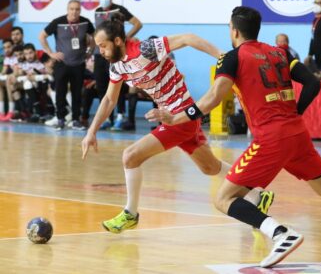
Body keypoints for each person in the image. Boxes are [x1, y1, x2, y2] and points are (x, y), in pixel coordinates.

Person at [146, 6, 321, 268]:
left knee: (223, 199)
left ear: (234, 30)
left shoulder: (233, 57)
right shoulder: (280, 52)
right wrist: (295, 113)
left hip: (271, 138)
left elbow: (214, 97)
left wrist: (176, 117)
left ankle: (281, 233)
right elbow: (314, 84)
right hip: (297, 133)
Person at [81, 14, 274, 234]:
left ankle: (130, 214)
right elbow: (108, 99)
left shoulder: (145, 49)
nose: (101, 52)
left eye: (103, 46)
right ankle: (255, 195)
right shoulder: (116, 67)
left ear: (117, 41)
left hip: (181, 116)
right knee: (210, 167)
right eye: (99, 47)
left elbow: (187, 38)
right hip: (175, 118)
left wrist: (224, 57)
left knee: (130, 156)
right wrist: (91, 131)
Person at [39, 0, 95, 130]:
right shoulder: (58, 22)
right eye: (72, 9)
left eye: (77, 9)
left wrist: (90, 51)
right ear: (67, 9)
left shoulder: (85, 22)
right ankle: (60, 119)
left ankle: (76, 120)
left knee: (77, 93)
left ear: (80, 10)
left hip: (79, 63)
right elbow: (41, 36)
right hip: (62, 64)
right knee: (60, 92)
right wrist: (51, 53)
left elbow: (95, 37)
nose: (74, 12)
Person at [94, 0, 142, 131]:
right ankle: (107, 118)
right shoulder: (97, 11)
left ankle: (120, 117)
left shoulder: (119, 10)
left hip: (115, 53)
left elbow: (137, 23)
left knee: (118, 86)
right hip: (100, 54)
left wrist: (125, 38)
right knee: (102, 85)